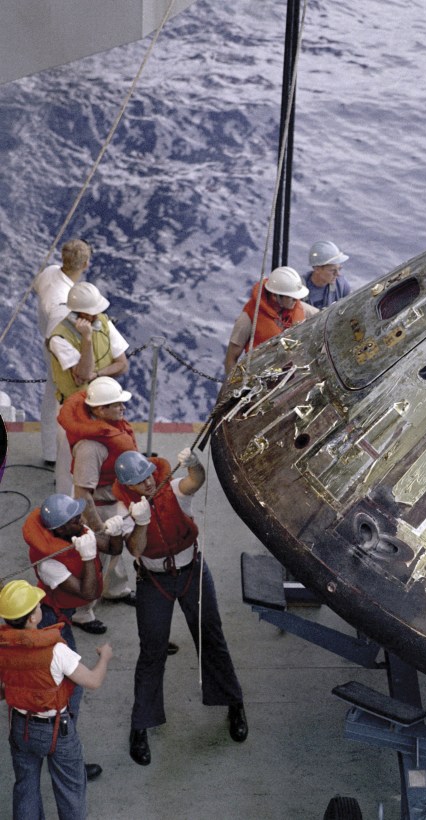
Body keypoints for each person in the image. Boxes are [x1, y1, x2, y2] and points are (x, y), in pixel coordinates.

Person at [111, 448, 247, 766]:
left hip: (191, 572)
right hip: (154, 580)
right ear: (126, 486)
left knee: (211, 637)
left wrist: (196, 465)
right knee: (152, 650)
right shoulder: (125, 510)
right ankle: (140, 725)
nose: (146, 482)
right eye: (137, 481)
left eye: (147, 475)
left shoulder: (170, 488)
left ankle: (234, 702)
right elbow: (136, 549)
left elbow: (194, 482)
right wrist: (140, 522)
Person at [23, 492, 124, 782]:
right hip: (52, 621)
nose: (80, 520)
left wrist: (116, 532)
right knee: (70, 691)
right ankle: (65, 755)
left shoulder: (75, 529)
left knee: (67, 691)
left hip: (63, 618)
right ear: (58, 529)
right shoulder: (48, 562)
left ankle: (59, 745)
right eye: (73, 519)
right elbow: (88, 592)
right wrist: (90, 555)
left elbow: (114, 547)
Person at [0, 580, 113, 819]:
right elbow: (93, 681)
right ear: (32, 618)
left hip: (20, 727)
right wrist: (104, 657)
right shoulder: (56, 651)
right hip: (55, 731)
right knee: (70, 789)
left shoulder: (3, 647)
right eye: (37, 605)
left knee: (25, 787)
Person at [57, 377, 139, 633]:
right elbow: (83, 494)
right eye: (115, 404)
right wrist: (99, 528)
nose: (122, 408)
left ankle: (115, 589)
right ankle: (83, 612)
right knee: (96, 558)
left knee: (115, 551)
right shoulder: (90, 447)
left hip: (114, 499)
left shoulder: (110, 426)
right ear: (99, 410)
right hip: (98, 507)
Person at [48, 282, 130, 495]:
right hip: (75, 410)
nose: (97, 315)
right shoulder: (59, 338)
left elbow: (122, 364)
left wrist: (98, 375)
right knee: (68, 465)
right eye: (92, 312)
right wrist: (86, 339)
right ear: (78, 314)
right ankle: (66, 506)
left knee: (103, 457)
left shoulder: (102, 323)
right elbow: (82, 374)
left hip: (104, 406)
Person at [33, 239, 91, 465]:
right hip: (59, 348)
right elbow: (56, 334)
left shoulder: (49, 272)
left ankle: (50, 453)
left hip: (49, 342)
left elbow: (39, 287)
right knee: (64, 400)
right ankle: (64, 456)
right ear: (85, 264)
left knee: (50, 397)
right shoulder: (64, 302)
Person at [224, 266, 318, 373]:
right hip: (260, 379)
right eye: (291, 297)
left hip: (292, 374)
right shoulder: (248, 318)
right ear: (275, 296)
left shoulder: (300, 308)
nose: (296, 300)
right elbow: (231, 359)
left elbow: (322, 317)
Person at [304, 240, 351, 310]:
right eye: (332, 270)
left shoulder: (342, 285)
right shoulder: (299, 288)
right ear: (317, 269)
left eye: (339, 269)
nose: (338, 274)